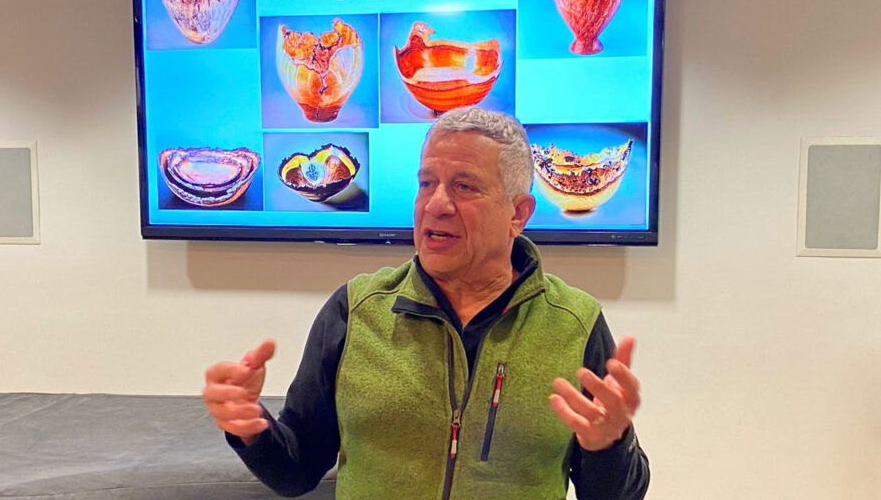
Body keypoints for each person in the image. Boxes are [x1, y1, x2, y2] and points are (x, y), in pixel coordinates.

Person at [203, 106, 650, 499]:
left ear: (518, 214)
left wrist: (611, 444)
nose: (436, 204)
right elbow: (296, 472)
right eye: (426, 183)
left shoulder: (575, 323)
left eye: (465, 187)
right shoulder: (356, 310)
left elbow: (615, 495)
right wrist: (251, 429)